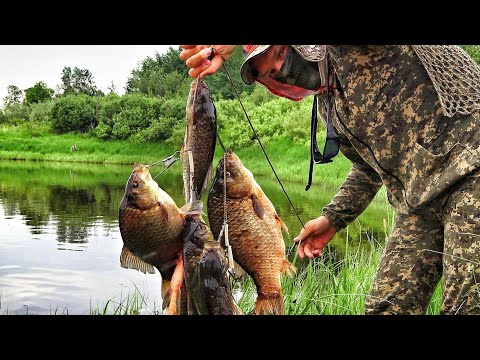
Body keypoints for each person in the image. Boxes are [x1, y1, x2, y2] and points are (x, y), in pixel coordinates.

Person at [179, 45, 480, 315]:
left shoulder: (352, 50)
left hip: (471, 170)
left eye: (282, 55)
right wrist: (333, 219)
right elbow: (366, 170)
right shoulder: (331, 106)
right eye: (273, 73)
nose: (285, 72)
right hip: (420, 202)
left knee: (466, 304)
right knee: (386, 305)